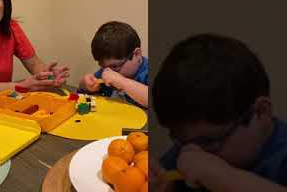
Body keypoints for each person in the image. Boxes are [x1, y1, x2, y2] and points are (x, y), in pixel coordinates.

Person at [150, 34, 287, 192]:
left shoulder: (281, 159)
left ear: (261, 112)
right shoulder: (190, 147)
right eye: (180, 140)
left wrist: (225, 177)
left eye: (210, 141)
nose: (193, 155)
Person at [79, 21, 148, 107]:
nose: (109, 72)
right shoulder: (106, 71)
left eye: (115, 66)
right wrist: (85, 83)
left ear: (137, 54)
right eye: (103, 66)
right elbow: (83, 88)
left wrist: (122, 82)